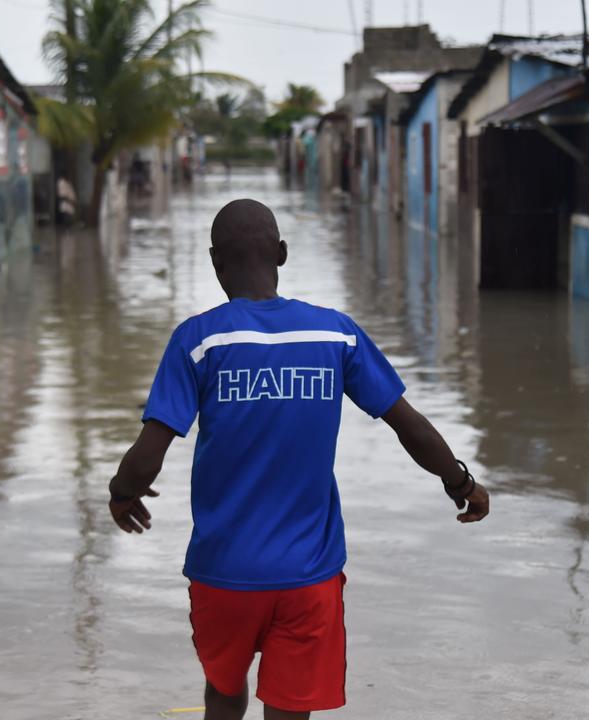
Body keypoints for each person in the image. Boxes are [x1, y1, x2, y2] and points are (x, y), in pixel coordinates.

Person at [106, 199, 490, 720]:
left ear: (215, 262)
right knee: (290, 709)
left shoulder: (199, 341)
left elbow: (149, 452)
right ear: (282, 254)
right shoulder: (333, 334)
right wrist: (460, 483)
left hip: (222, 576)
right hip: (308, 576)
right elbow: (410, 425)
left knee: (223, 691)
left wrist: (122, 492)